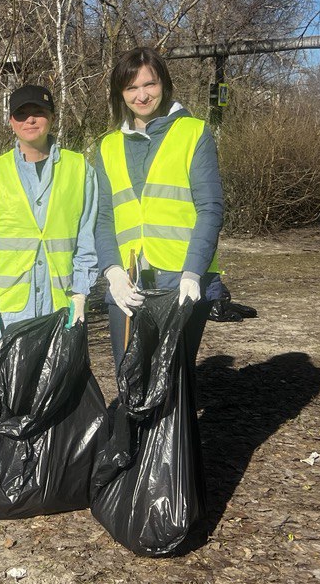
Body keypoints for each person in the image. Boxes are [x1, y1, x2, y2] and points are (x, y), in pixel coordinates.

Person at [93, 46, 223, 369]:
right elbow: (103, 216)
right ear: (120, 93)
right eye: (131, 87)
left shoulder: (194, 133)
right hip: (129, 282)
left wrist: (192, 274)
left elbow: (210, 208)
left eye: (149, 84)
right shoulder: (108, 147)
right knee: (130, 378)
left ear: (163, 83)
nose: (141, 95)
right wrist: (112, 272)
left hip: (180, 281)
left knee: (173, 382)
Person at [0, 84, 98, 357]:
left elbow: (88, 234)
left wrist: (81, 291)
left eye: (38, 112)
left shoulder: (79, 169)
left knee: (57, 393)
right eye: (21, 114)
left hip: (60, 306)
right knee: (10, 394)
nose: (30, 120)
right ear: (11, 121)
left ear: (52, 117)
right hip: (8, 311)